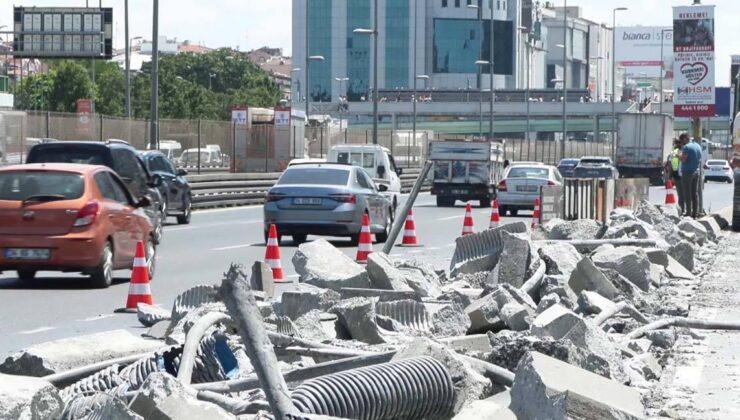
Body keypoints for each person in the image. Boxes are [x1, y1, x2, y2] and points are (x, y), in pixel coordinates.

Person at [678, 133, 701, 218]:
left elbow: (683, 160)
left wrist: (679, 156)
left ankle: (688, 213)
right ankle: (695, 212)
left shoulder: (687, 147)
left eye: (681, 141)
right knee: (694, 194)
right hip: (696, 172)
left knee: (687, 193)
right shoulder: (698, 146)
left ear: (684, 139)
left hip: (687, 173)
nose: (681, 143)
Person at [666, 139, 684, 213]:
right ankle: (682, 209)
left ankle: (681, 210)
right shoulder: (683, 152)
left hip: (676, 175)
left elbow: (669, 166)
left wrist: (669, 177)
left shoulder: (673, 153)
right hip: (683, 175)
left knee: (680, 194)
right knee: (683, 195)